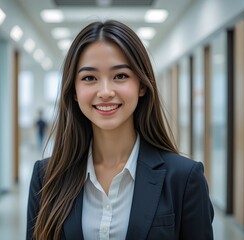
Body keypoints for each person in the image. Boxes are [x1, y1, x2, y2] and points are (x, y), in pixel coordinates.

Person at [26, 20, 214, 240]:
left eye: (120, 76)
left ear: (142, 85)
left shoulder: (183, 178)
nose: (105, 92)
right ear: (74, 91)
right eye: (89, 78)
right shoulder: (46, 176)